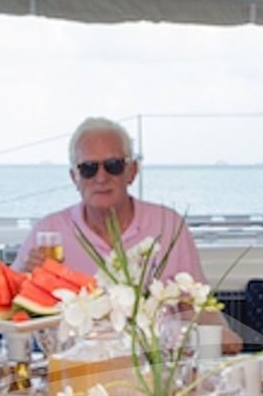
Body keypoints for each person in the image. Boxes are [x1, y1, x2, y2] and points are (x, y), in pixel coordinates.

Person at [13, 117, 205, 284]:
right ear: (74, 178)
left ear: (132, 171)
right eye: (88, 168)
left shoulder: (169, 226)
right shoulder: (49, 231)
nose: (101, 178)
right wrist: (25, 279)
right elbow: (10, 309)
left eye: (113, 166)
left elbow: (199, 309)